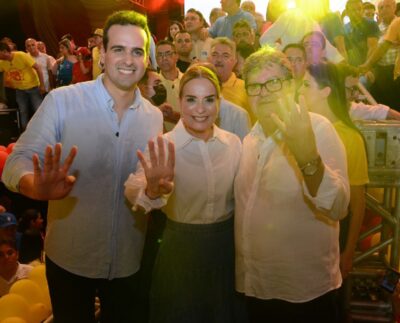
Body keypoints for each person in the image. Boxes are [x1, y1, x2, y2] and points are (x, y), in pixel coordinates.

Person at [2, 10, 163, 323]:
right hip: (70, 261)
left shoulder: (153, 117)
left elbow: (140, 187)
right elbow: (17, 160)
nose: (128, 59)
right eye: (118, 49)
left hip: (128, 262)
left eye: (137, 51)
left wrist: (153, 192)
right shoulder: (63, 101)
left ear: (146, 60)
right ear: (102, 55)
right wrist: (34, 186)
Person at [235, 46, 350, 322]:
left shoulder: (318, 128)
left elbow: (338, 206)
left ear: (290, 86)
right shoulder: (249, 140)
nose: (262, 92)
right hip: (256, 290)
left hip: (304, 296)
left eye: (272, 83)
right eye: (254, 86)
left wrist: (307, 157)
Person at [125, 65, 244, 323]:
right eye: (191, 100)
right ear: (179, 101)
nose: (200, 109)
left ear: (219, 103)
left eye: (209, 100)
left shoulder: (234, 144)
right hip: (179, 251)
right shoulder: (164, 145)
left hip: (227, 249)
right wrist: (151, 189)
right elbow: (133, 187)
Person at [0, 41, 45, 130]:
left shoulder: (21, 55)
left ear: (4, 51)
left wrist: (42, 85)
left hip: (33, 88)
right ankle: (24, 133)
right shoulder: (2, 62)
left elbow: (38, 68)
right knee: (23, 111)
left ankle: (42, 131)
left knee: (38, 110)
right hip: (19, 90)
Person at [208, 37, 254, 123]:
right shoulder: (201, 86)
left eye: (225, 56)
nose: (219, 60)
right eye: (214, 55)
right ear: (208, 59)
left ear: (234, 61)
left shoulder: (246, 88)